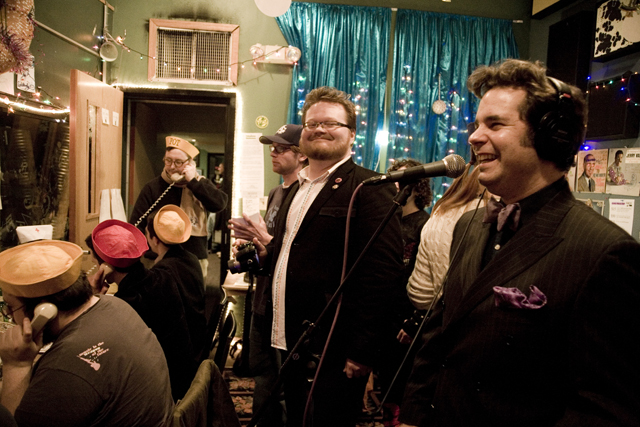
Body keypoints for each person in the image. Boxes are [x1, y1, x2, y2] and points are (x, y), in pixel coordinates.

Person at [399, 59, 640, 427]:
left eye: (495, 124)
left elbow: (604, 406)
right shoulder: (468, 226)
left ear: (549, 136)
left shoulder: (604, 252)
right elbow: (438, 336)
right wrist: (414, 416)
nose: (474, 137)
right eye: (477, 125)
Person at [246, 86, 404, 427]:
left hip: (334, 347)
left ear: (352, 133)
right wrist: (265, 253)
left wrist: (362, 350)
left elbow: (383, 276)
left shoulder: (370, 187)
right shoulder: (296, 188)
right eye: (312, 123)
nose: (319, 129)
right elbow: (295, 254)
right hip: (290, 338)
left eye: (331, 123)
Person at [0, 240, 173, 426]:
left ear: (43, 310)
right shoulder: (114, 304)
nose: (9, 316)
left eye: (10, 307)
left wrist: (15, 366)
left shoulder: (64, 369)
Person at [228, 123, 307, 426]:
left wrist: (265, 239)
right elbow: (270, 249)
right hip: (263, 297)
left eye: (281, 148)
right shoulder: (275, 192)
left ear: (301, 155)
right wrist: (251, 245)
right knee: (262, 375)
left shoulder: (304, 195)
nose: (273, 153)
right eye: (272, 147)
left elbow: (298, 255)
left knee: (283, 384)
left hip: (284, 305)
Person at [88, 212, 206, 401]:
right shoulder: (163, 278)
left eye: (95, 262)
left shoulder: (125, 304)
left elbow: (95, 345)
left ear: (105, 267)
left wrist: (94, 299)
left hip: (163, 393)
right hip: (184, 376)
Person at [129, 136, 228, 278]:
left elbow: (220, 203)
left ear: (190, 164)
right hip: (157, 258)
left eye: (178, 162)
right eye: (168, 160)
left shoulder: (200, 184)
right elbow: (136, 224)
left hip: (193, 258)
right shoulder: (152, 187)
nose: (172, 166)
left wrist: (193, 182)